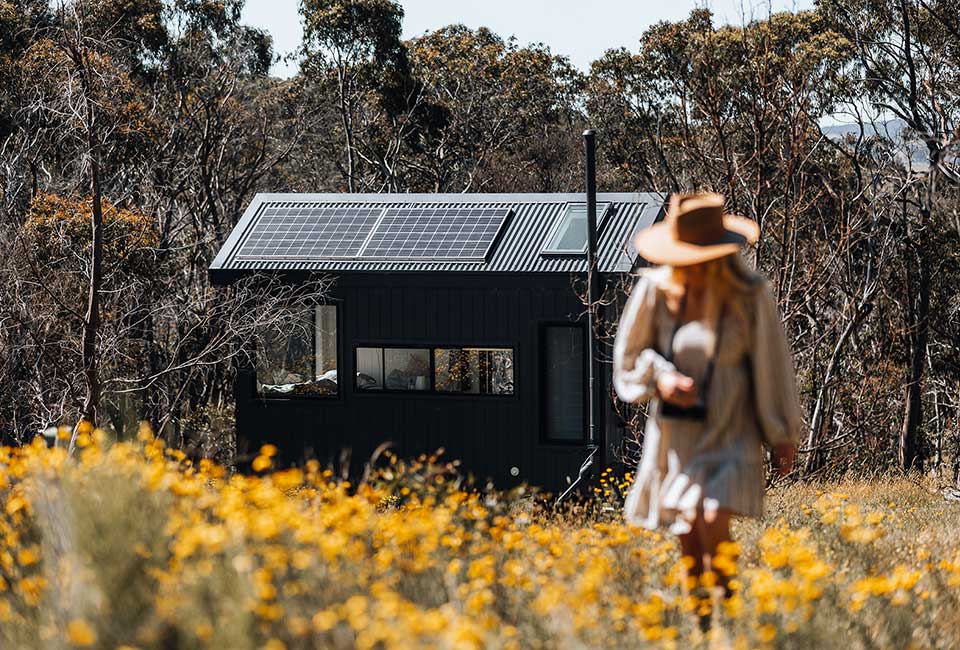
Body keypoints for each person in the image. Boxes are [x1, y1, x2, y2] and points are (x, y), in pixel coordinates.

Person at [613, 192, 801, 625]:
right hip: (679, 436)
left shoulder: (750, 296)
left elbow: (772, 366)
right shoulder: (656, 291)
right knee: (689, 535)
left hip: (734, 429)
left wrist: (782, 432)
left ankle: (729, 611)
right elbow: (629, 356)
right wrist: (660, 376)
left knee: (711, 514)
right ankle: (703, 623)